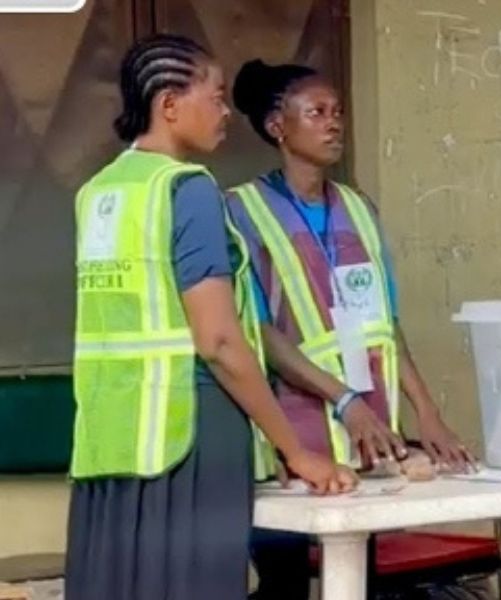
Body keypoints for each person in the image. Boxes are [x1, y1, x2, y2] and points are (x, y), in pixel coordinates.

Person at [65, 34, 357, 600]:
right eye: (216, 97)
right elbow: (219, 340)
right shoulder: (187, 190)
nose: (226, 113)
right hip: (190, 436)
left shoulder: (98, 193)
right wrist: (294, 450)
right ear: (169, 105)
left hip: (109, 440)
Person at [224, 59, 475, 598]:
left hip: (368, 435)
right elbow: (259, 333)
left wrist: (426, 412)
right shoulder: (242, 210)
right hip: (291, 436)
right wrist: (343, 401)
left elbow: (386, 324)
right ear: (277, 126)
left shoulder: (359, 209)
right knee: (284, 582)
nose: (334, 124)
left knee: (361, 577)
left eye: (337, 112)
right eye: (316, 112)